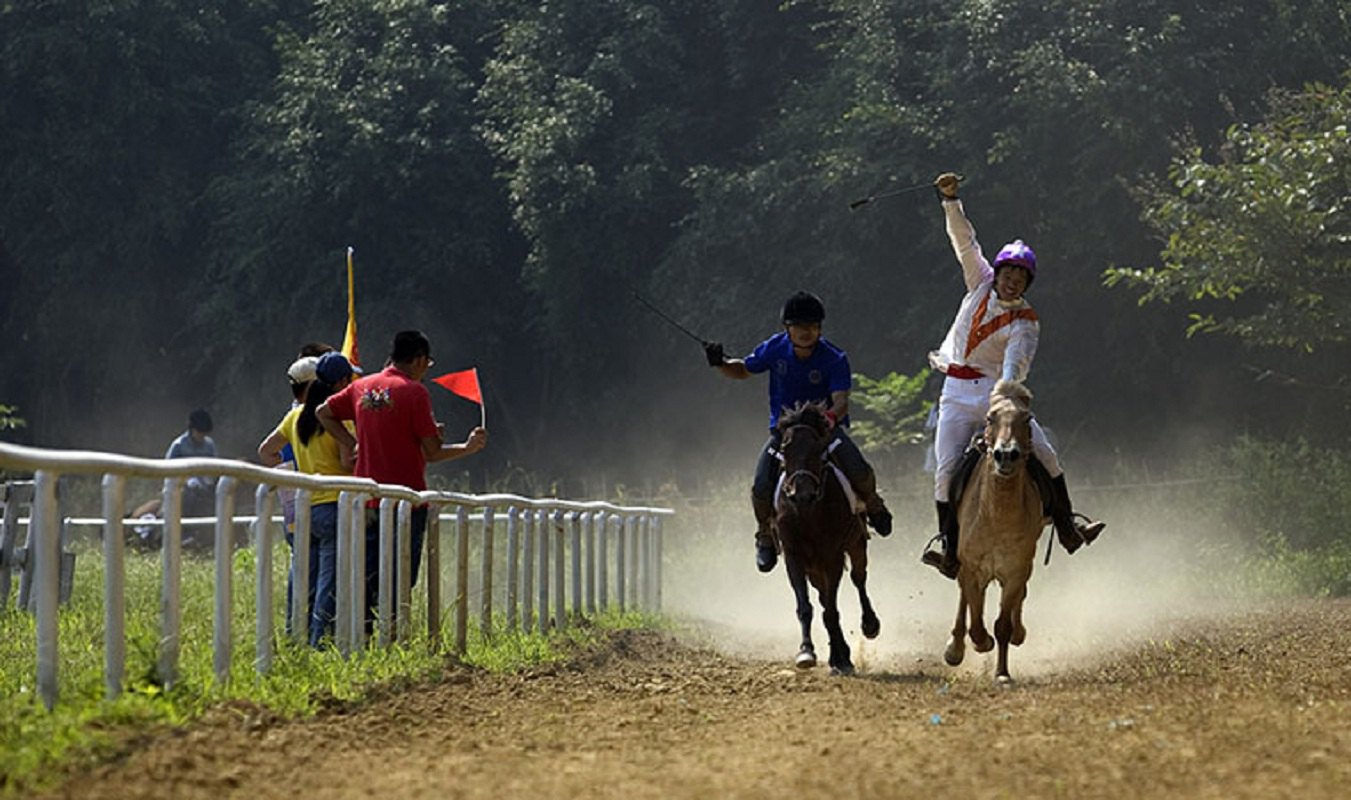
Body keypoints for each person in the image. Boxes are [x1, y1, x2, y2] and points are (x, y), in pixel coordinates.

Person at [920, 172, 1105, 579]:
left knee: (1046, 454)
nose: (1011, 280)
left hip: (996, 394)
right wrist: (950, 199)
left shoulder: (1026, 322)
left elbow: (1014, 366)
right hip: (954, 391)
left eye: (1020, 276)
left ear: (1026, 282)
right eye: (1007, 272)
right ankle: (948, 549)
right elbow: (964, 242)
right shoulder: (979, 283)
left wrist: (1004, 398)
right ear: (998, 272)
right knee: (944, 472)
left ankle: (1068, 526)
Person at [703, 292, 893, 573]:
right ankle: (765, 535)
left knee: (858, 467)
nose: (806, 332)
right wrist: (719, 363)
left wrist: (829, 418)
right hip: (785, 433)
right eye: (799, 326)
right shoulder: (774, 349)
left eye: (813, 327)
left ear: (820, 328)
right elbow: (742, 369)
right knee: (761, 484)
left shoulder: (834, 358)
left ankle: (874, 504)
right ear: (787, 328)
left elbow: (841, 401)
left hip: (824, 431)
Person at [316, 330, 488, 631]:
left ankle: (362, 634)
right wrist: (467, 448)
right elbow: (431, 452)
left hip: (367, 499)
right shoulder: (414, 391)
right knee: (401, 575)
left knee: (367, 572)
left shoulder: (362, 387)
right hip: (405, 501)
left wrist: (352, 442)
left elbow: (323, 412)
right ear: (420, 359)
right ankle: (392, 633)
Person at [259, 352, 357, 646]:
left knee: (302, 576)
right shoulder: (338, 419)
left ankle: (295, 636)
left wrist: (289, 473)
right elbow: (346, 460)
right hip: (334, 505)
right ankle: (319, 641)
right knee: (329, 579)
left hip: (304, 508)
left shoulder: (293, 417)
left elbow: (265, 450)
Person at [165, 408, 217, 521]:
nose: (201, 436)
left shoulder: (209, 445)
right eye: (199, 433)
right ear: (192, 430)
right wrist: (187, 480)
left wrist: (209, 480)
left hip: (203, 488)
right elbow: (167, 470)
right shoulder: (178, 446)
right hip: (182, 488)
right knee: (187, 499)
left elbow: (214, 467)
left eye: (204, 433)